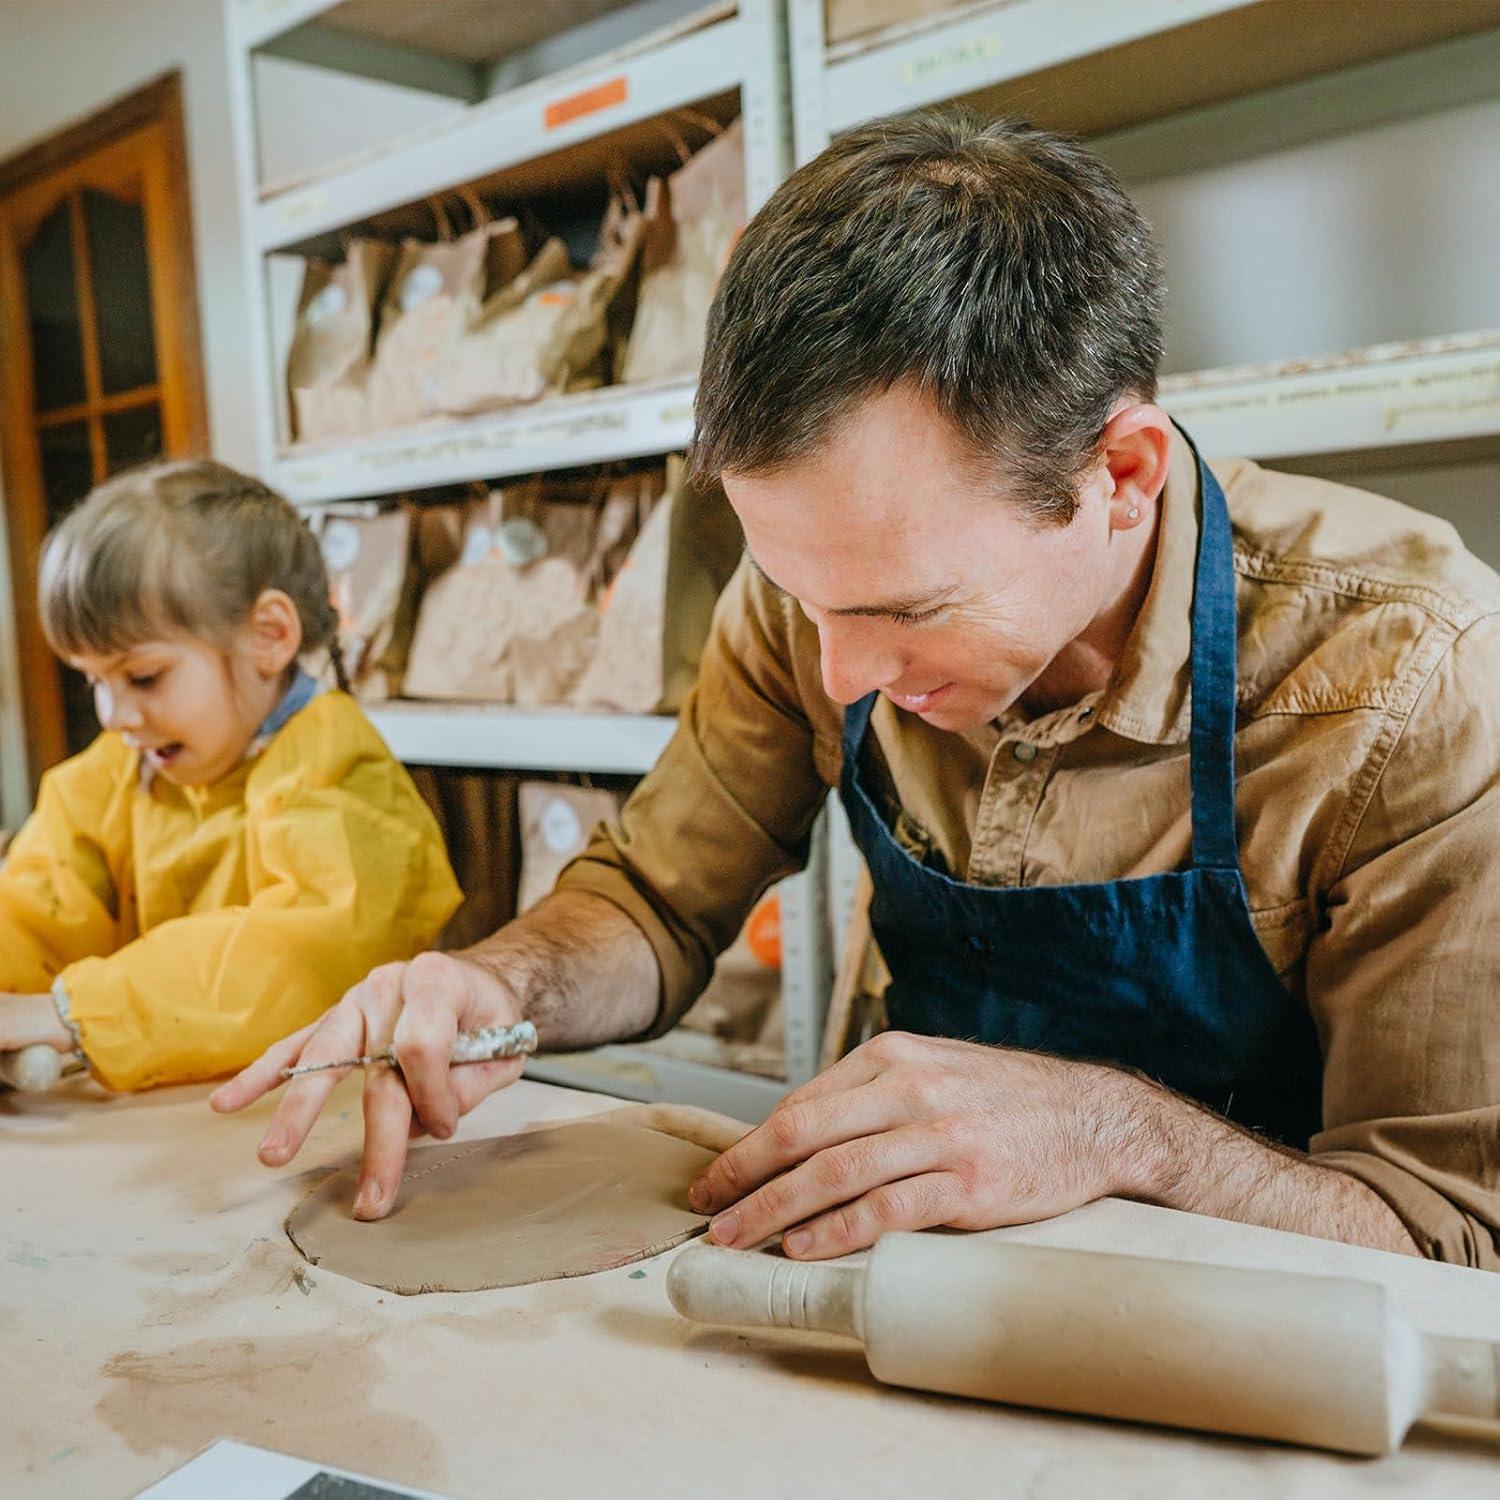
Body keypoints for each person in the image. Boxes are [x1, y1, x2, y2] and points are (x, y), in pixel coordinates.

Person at [216, 115, 1499, 1268]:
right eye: (800, 595)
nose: (839, 675)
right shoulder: (813, 599)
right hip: (920, 1289)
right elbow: (657, 898)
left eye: (904, 612)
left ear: (1123, 473)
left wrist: (1124, 1137)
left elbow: (1444, 1230)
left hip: (1269, 1351)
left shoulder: (1413, 684)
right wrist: (499, 989)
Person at [0, 461, 461, 1091]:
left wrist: (72, 1013)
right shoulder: (118, 771)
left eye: (143, 677)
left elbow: (298, 955)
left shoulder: (339, 773)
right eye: (94, 682)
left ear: (267, 638)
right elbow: (35, 904)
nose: (115, 716)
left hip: (326, 1121)